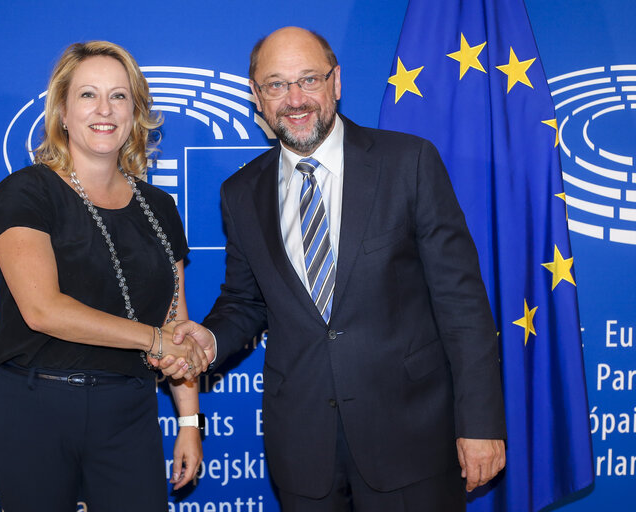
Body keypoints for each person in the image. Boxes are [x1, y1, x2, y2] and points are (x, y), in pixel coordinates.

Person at [161, 27, 507, 511]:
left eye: (309, 79)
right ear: (256, 97)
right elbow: (246, 300)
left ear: (336, 82)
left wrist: (481, 425)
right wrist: (210, 341)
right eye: (276, 85)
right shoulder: (240, 194)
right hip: (303, 446)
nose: (295, 99)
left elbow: (463, 306)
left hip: (411, 438)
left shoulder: (408, 162)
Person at [0, 41, 207, 512]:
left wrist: (188, 422)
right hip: (34, 405)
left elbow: (176, 323)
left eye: (119, 96)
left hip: (129, 410)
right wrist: (153, 340)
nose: (104, 110)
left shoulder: (160, 207)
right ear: (62, 110)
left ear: (136, 112)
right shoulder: (26, 192)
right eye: (88, 95)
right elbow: (44, 310)